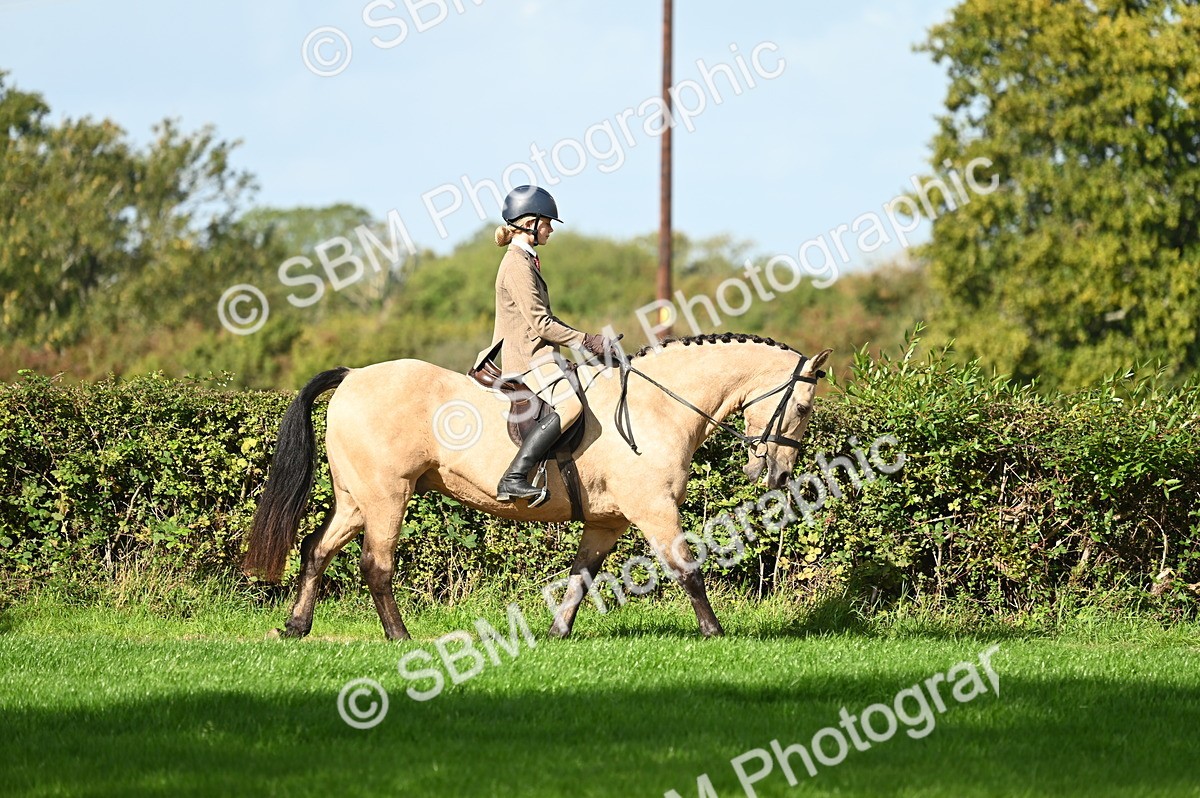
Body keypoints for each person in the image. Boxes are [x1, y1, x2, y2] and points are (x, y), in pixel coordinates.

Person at [482, 185, 620, 506]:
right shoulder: (517, 265)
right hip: (529, 361)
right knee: (571, 407)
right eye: (547, 223)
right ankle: (514, 477)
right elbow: (541, 323)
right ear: (530, 222)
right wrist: (588, 341)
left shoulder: (528, 261)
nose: (550, 230)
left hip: (544, 356)